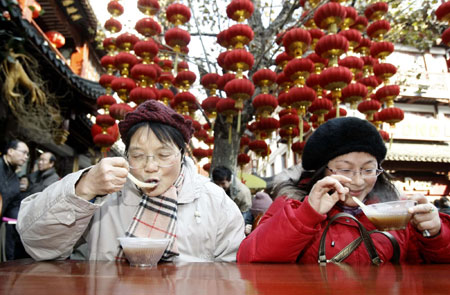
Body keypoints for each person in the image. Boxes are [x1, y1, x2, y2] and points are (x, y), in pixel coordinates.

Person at [17, 100, 245, 263]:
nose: (150, 166)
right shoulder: (103, 190)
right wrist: (84, 188)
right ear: (126, 156)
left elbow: (232, 273)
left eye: (163, 155)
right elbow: (36, 243)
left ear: (182, 154)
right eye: (137, 155)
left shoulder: (215, 202)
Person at [237, 117, 450, 264]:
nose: (357, 181)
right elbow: (250, 256)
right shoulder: (293, 205)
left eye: (368, 169)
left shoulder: (394, 211)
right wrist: (307, 214)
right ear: (322, 171)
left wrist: (435, 233)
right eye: (345, 169)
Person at [0, 140, 29, 218]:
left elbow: (12, 207)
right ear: (10, 151)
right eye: (24, 152)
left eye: (27, 154)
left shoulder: (15, 180)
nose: (26, 157)